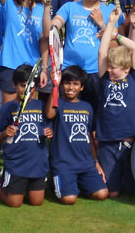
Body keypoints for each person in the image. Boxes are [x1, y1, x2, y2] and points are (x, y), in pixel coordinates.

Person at [53, 0, 125, 109]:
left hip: (96, 72)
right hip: (70, 71)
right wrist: (54, 25)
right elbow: (55, 24)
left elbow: (114, 44)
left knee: (93, 116)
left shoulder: (110, 10)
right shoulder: (70, 7)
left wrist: (101, 24)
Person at [95, 7, 135, 197]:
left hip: (130, 142)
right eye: (108, 67)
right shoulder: (105, 81)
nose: (109, 70)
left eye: (113, 68)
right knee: (112, 193)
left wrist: (117, 35)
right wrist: (110, 23)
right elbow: (101, 52)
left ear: (125, 68)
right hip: (107, 142)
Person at [0, 64, 55, 207]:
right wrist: (4, 133)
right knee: (14, 203)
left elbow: (48, 127)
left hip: (37, 164)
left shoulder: (41, 106)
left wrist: (49, 132)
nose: (27, 90)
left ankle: (25, 188)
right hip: (16, 165)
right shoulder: (8, 108)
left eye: (31, 86)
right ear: (14, 85)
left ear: (36, 87)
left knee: (37, 202)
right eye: (22, 86)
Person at [51, 66, 109, 204]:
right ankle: (61, 184)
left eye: (75, 84)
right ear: (62, 84)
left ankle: (77, 184)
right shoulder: (57, 103)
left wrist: (95, 162)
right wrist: (54, 86)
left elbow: (89, 135)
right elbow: (49, 114)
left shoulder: (87, 107)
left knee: (102, 194)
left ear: (81, 87)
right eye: (67, 83)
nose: (71, 87)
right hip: (63, 164)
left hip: (85, 163)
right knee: (69, 199)